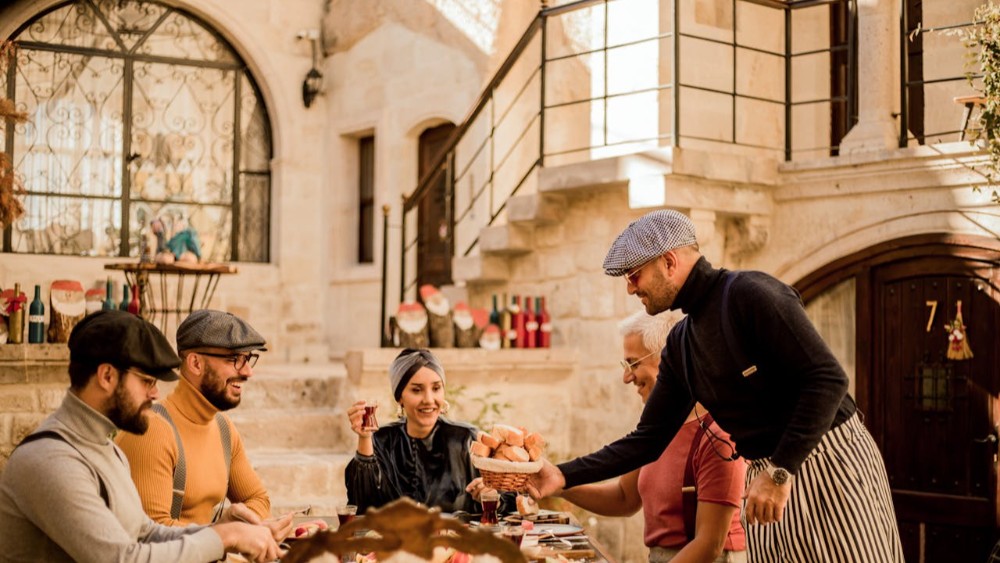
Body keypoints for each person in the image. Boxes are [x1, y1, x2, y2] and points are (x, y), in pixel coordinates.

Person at [529, 210, 903, 562]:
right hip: (765, 477)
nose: (630, 289)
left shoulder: (750, 293)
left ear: (669, 262)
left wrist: (780, 471)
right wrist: (562, 474)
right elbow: (647, 440)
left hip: (825, 462)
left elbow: (828, 379)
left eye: (634, 275)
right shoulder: (681, 344)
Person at [0, 310, 280, 563]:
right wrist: (223, 538)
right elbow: (123, 559)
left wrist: (223, 531)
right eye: (146, 381)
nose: (155, 393)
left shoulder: (105, 449)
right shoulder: (52, 461)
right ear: (107, 376)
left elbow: (145, 533)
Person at [560, 310, 746, 562]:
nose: (626, 377)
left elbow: (709, 544)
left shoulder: (718, 436)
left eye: (633, 363)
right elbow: (625, 499)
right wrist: (559, 484)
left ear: (671, 358)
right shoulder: (656, 430)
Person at [116, 309, 293, 541]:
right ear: (195, 363)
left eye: (248, 359)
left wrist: (248, 527)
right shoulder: (152, 430)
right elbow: (150, 536)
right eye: (235, 360)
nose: (248, 372)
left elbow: (258, 499)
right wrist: (225, 533)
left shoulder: (222, 428)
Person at [345, 348, 500, 514]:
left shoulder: (467, 440)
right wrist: (364, 438)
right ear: (399, 398)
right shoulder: (380, 441)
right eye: (416, 390)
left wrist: (493, 496)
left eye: (436, 388)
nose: (428, 400)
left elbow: (508, 500)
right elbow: (361, 507)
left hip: (457, 539)